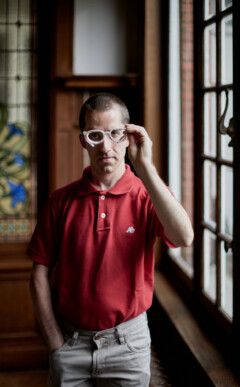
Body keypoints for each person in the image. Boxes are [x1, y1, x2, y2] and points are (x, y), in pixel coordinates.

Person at [28, 93, 193, 387]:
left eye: (115, 134)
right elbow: (39, 272)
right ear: (84, 141)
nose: (106, 146)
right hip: (70, 341)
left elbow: (184, 237)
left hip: (128, 344)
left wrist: (146, 168)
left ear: (128, 136)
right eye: (95, 135)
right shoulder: (60, 201)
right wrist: (55, 343)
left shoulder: (147, 194)